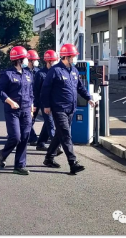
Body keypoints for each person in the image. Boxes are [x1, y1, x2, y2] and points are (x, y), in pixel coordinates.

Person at [41, 43, 95, 174]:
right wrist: (46, 105)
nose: (75, 58)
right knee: (66, 135)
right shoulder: (55, 70)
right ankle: (73, 162)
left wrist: (89, 98)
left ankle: (48, 158)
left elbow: (80, 87)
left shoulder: (74, 70)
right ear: (66, 56)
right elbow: (45, 89)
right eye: (73, 56)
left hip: (71, 108)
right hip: (58, 108)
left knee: (60, 134)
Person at [0, 46, 34, 175]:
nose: (26, 61)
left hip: (26, 110)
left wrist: (31, 107)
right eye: (24, 58)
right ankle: (3, 153)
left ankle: (19, 165)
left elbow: (31, 92)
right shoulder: (7, 74)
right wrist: (10, 101)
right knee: (16, 137)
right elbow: (0, 91)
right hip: (12, 111)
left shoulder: (28, 74)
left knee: (24, 137)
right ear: (18, 59)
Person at [33, 49, 63, 154]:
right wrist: (35, 104)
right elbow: (35, 91)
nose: (56, 63)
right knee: (51, 124)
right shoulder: (40, 74)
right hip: (45, 104)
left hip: (55, 103)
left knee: (47, 123)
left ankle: (41, 143)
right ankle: (56, 147)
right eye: (54, 61)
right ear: (48, 62)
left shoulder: (57, 71)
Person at [26, 49, 41, 146]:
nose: (36, 61)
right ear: (30, 61)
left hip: (37, 99)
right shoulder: (24, 72)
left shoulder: (38, 72)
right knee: (28, 120)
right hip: (28, 99)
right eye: (34, 59)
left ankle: (27, 135)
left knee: (32, 120)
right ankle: (33, 138)